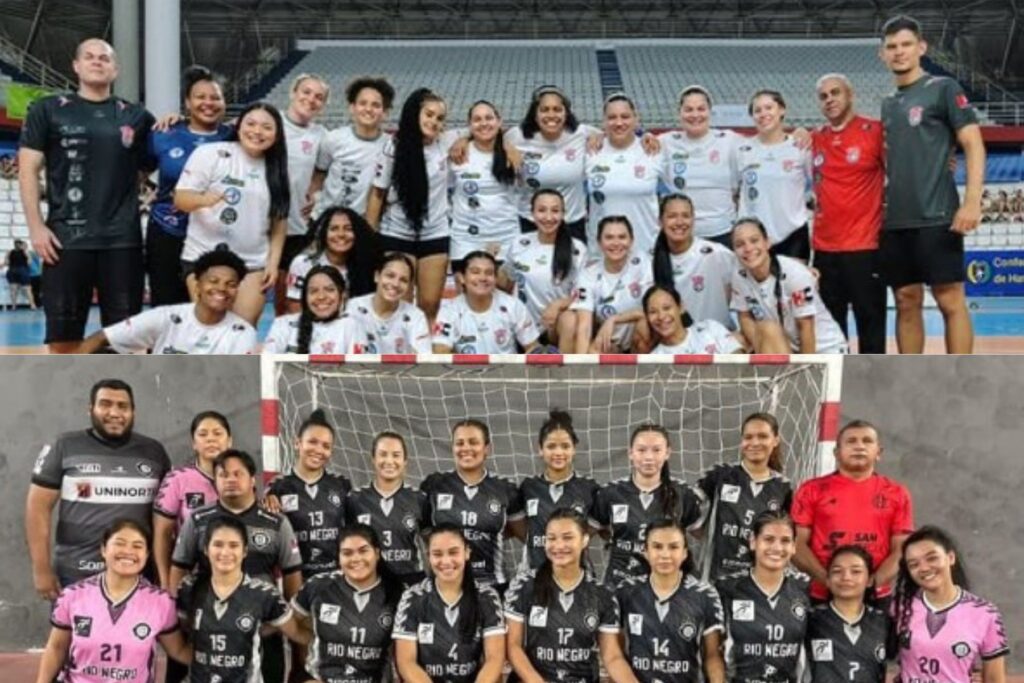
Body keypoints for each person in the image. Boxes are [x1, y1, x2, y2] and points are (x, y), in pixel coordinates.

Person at [18, 38, 156, 353]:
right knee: (63, 340)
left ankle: (123, 397)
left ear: (115, 69)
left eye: (104, 58)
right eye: (89, 57)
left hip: (123, 242)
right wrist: (36, 227)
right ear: (76, 66)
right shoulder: (47, 109)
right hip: (65, 242)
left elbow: (148, 166)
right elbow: (28, 170)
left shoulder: (136, 116)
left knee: (126, 340)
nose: (97, 62)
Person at [878, 15, 986, 354]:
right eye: (892, 47)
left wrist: (972, 202)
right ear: (883, 54)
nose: (899, 52)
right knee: (905, 300)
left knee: (949, 298)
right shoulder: (888, 103)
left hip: (937, 213)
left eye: (906, 44)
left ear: (921, 48)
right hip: (896, 220)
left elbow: (973, 144)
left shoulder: (943, 88)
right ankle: (913, 380)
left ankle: (959, 378)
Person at [26, 379, 171, 597]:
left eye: (123, 406)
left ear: (133, 412)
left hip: (138, 573)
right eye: (105, 404)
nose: (114, 413)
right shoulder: (64, 446)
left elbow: (167, 518)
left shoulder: (154, 452)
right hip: (76, 573)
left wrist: (164, 572)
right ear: (90, 409)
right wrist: (41, 569)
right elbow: (37, 508)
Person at [170, 449, 303, 683]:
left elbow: (292, 574)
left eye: (237, 474)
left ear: (253, 479)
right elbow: (179, 567)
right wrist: (182, 616)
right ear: (215, 481)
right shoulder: (198, 520)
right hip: (210, 627)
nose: (230, 479)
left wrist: (289, 619)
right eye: (223, 475)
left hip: (264, 628)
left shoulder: (276, 521)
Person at [175, 101, 289, 326]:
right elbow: (181, 199)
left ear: (276, 135)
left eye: (267, 127)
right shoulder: (210, 154)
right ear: (238, 126)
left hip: (253, 263)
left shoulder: (277, 169)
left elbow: (279, 222)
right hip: (204, 256)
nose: (257, 131)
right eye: (251, 123)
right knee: (209, 328)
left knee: (242, 330)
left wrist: (273, 264)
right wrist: (204, 200)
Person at [33, 519, 191, 683]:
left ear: (147, 555)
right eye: (120, 543)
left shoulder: (160, 602)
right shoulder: (73, 596)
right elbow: (56, 648)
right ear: (103, 549)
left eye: (137, 546)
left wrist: (215, 660)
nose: (128, 551)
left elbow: (178, 650)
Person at [505, 508, 638, 683]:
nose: (558, 546)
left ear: (584, 540)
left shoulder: (602, 594)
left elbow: (612, 657)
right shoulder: (524, 585)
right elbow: (513, 646)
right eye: (551, 538)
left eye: (568, 537)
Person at [791, 419, 914, 607]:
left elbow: (902, 549)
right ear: (836, 452)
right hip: (821, 594)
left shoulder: (897, 493)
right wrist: (828, 580)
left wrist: (873, 582)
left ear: (879, 453)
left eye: (867, 441)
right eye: (851, 441)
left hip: (876, 595)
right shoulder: (811, 490)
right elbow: (796, 544)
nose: (859, 446)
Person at [176, 516, 309, 683]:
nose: (225, 552)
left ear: (245, 551)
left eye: (234, 545)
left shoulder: (264, 594)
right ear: (205, 549)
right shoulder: (189, 588)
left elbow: (298, 633)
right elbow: (178, 639)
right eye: (218, 545)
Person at [366, 87, 459, 324]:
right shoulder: (393, 148)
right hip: (397, 233)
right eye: (429, 114)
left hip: (435, 233)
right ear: (414, 114)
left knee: (430, 304)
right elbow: (378, 193)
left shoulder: (446, 142)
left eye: (440, 118)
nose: (434, 121)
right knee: (400, 305)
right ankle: (402, 356)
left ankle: (425, 356)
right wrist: (370, 236)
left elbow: (477, 131)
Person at [811, 74, 887, 354]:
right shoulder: (814, 138)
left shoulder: (875, 131)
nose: (830, 99)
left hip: (865, 248)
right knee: (831, 330)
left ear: (850, 94)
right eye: (823, 96)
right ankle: (836, 392)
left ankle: (874, 390)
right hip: (825, 251)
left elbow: (904, 167)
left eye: (835, 93)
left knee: (871, 325)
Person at [147, 65, 232, 306]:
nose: (208, 103)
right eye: (200, 97)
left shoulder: (235, 136)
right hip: (168, 231)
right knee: (166, 306)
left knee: (212, 306)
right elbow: (140, 174)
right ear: (187, 102)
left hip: (216, 235)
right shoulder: (164, 134)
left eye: (215, 97)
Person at [590, 423, 706, 587]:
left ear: (667, 453)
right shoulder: (611, 493)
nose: (649, 457)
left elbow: (705, 536)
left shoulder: (682, 494)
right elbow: (585, 534)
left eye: (656, 450)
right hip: (620, 583)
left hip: (667, 585)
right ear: (630, 453)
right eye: (641, 450)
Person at [77, 248, 257, 354]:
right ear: (197, 285)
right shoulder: (166, 317)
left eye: (230, 284)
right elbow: (101, 337)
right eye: (213, 281)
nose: (222, 289)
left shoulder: (243, 333)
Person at [890, 526, 1008, 683]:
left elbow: (995, 678)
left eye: (932, 558)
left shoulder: (985, 613)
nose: (924, 568)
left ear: (950, 557)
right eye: (914, 564)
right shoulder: (899, 608)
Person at [615, 518, 727, 683]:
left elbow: (713, 656)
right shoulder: (626, 591)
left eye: (673, 547)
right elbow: (615, 654)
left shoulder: (705, 594)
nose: (665, 555)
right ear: (645, 551)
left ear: (685, 553)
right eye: (657, 547)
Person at [393, 525, 507, 683]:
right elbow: (406, 662)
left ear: (467, 552)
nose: (445, 561)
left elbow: (494, 659)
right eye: (437, 554)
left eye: (453, 552)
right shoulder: (413, 597)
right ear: (428, 556)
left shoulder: (486, 597)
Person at [421, 419, 525, 591]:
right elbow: (425, 532)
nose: (466, 448)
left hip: (492, 586)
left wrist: (488, 533)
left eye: (473, 442)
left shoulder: (505, 489)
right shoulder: (435, 485)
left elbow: (524, 534)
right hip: (445, 587)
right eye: (459, 443)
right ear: (453, 447)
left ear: (486, 449)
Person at [292, 524, 402, 683]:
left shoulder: (397, 593)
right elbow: (290, 621)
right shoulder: (319, 586)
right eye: (347, 553)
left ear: (377, 553)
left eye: (363, 551)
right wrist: (312, 640)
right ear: (338, 557)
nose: (356, 559)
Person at [715, 511, 811, 683]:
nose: (777, 548)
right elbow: (710, 654)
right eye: (768, 539)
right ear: (753, 541)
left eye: (785, 541)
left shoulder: (804, 588)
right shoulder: (726, 589)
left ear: (794, 546)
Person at [696, 413, 791, 582]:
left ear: (775, 440)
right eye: (748, 437)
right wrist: (712, 538)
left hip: (758, 582)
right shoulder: (719, 475)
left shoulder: (783, 487)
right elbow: (692, 521)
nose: (754, 443)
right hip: (716, 578)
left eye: (762, 436)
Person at [730, 217, 848, 354]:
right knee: (734, 341)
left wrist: (803, 369)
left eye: (754, 240)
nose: (748, 248)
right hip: (787, 346)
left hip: (824, 349)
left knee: (768, 328)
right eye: (740, 244)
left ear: (767, 242)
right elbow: (744, 317)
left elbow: (806, 327)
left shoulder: (795, 274)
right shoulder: (739, 275)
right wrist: (762, 348)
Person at [267, 409, 351, 580]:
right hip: (295, 578)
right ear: (297, 443)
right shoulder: (278, 487)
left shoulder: (341, 485)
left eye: (326, 446)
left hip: (335, 577)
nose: (318, 450)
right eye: (312, 442)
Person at [152, 410, 233, 589]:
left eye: (218, 433)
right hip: (190, 580)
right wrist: (166, 584)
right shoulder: (177, 479)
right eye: (203, 434)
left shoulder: (240, 478)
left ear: (229, 441)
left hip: (232, 577)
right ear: (194, 444)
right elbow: (162, 534)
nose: (211, 439)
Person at [505, 85, 596, 242]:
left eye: (557, 109)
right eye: (545, 109)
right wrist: (505, 145)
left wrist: (645, 137)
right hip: (530, 223)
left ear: (566, 113)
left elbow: (618, 130)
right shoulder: (517, 136)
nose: (551, 115)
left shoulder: (580, 133)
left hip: (572, 223)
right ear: (535, 114)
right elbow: (487, 134)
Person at [499, 189, 586, 351]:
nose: (548, 217)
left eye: (555, 211)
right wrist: (488, 258)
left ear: (563, 214)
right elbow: (504, 282)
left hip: (556, 326)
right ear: (532, 213)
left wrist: (559, 305)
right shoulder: (519, 243)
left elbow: (585, 294)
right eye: (541, 210)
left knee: (570, 320)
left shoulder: (577, 249)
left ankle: (566, 373)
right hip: (524, 325)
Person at [343, 431, 430, 587]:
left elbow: (432, 544)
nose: (389, 461)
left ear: (405, 461)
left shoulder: (419, 499)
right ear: (373, 459)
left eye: (396, 455)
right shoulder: (355, 499)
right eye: (383, 454)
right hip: (370, 581)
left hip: (410, 581)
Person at [659, 86, 742, 245]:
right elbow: (630, 144)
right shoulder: (665, 142)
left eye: (701, 109)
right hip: (680, 234)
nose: (695, 115)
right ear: (680, 113)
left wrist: (799, 132)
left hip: (724, 232)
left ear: (710, 112)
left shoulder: (730, 140)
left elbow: (766, 143)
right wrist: (597, 137)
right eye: (688, 109)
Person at [517, 409, 599, 570]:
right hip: (536, 574)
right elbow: (519, 528)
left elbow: (598, 528)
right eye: (551, 446)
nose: (558, 452)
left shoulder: (589, 488)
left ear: (574, 448)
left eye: (565, 446)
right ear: (540, 449)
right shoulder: (528, 487)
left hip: (577, 575)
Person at [276, 73, 330, 316]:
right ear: (293, 93)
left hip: (295, 225)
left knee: (286, 298)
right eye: (306, 92)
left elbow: (321, 170)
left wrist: (313, 191)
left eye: (318, 97)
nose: (311, 99)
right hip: (259, 223)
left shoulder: (321, 135)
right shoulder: (270, 120)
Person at [585, 94, 666, 253]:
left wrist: (646, 134)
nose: (619, 122)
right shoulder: (590, 151)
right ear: (604, 121)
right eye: (612, 117)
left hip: (646, 250)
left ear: (636, 119)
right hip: (602, 253)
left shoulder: (654, 149)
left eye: (625, 116)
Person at [737, 90, 812, 260]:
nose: (763, 114)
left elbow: (819, 185)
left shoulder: (800, 147)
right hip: (754, 239)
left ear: (782, 110)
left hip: (793, 235)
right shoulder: (741, 149)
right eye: (757, 110)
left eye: (769, 107)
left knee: (793, 286)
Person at [310, 76, 395, 217]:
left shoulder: (391, 146)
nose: (368, 109)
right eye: (362, 103)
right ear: (352, 107)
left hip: (365, 225)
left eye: (376, 105)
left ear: (385, 112)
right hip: (327, 221)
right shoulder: (333, 139)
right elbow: (319, 175)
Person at [449, 100, 519, 270]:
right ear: (469, 125)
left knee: (504, 296)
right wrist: (464, 138)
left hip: (505, 237)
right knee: (467, 295)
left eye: (489, 118)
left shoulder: (514, 153)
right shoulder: (458, 153)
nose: (484, 123)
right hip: (466, 240)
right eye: (477, 119)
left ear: (499, 121)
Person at [651, 194, 737, 331]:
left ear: (693, 220)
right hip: (677, 339)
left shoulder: (716, 253)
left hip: (717, 339)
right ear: (660, 221)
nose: (679, 222)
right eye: (672, 216)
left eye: (685, 216)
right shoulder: (651, 261)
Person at [806, 545, 890, 683]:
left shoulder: (884, 621)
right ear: (827, 580)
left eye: (856, 571)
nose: (846, 577)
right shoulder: (811, 619)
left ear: (869, 580)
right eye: (837, 571)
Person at [571, 215, 654, 353]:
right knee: (592, 352)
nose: (616, 243)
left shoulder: (642, 261)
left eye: (622, 237)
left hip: (638, 339)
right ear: (599, 242)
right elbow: (584, 325)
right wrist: (582, 364)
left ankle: (643, 373)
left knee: (644, 324)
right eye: (609, 237)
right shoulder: (587, 272)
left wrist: (614, 319)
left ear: (631, 240)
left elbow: (651, 309)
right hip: (609, 342)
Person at [433, 250, 540, 354]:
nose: (482, 278)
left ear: (495, 278)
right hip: (465, 371)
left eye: (489, 273)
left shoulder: (513, 306)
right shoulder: (448, 312)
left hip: (508, 371)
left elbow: (532, 347)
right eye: (475, 272)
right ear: (462, 278)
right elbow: (440, 352)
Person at [283, 205, 380, 313]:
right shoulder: (303, 263)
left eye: (348, 229)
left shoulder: (366, 266)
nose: (341, 234)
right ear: (323, 233)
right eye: (334, 229)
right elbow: (295, 308)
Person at [263, 264, 368, 354]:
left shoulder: (352, 326)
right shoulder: (283, 324)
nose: (321, 296)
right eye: (313, 291)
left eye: (329, 290)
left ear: (343, 295)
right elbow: (266, 362)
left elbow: (358, 372)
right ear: (305, 297)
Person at [345, 252, 432, 354]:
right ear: (377, 276)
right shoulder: (353, 307)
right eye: (390, 276)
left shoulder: (416, 316)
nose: (395, 284)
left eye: (403, 280)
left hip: (402, 370)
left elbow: (424, 362)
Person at [643, 284, 744, 354]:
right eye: (653, 312)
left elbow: (739, 360)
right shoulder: (654, 360)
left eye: (667, 308)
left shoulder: (710, 328)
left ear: (681, 307)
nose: (661, 316)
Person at [5, 239, 37, 310]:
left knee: (14, 289)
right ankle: (32, 305)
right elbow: (29, 262)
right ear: (21, 245)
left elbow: (6, 262)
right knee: (27, 289)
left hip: (12, 270)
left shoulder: (10, 252)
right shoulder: (25, 252)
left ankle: (14, 306)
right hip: (22, 270)